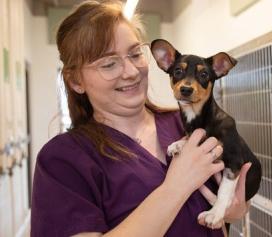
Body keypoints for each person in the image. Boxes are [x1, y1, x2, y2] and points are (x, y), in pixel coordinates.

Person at [30, 1, 251, 236]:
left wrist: (235, 210)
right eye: (109, 63)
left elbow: (233, 194)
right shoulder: (63, 160)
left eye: (135, 54)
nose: (132, 72)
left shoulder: (187, 124)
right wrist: (176, 187)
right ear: (76, 81)